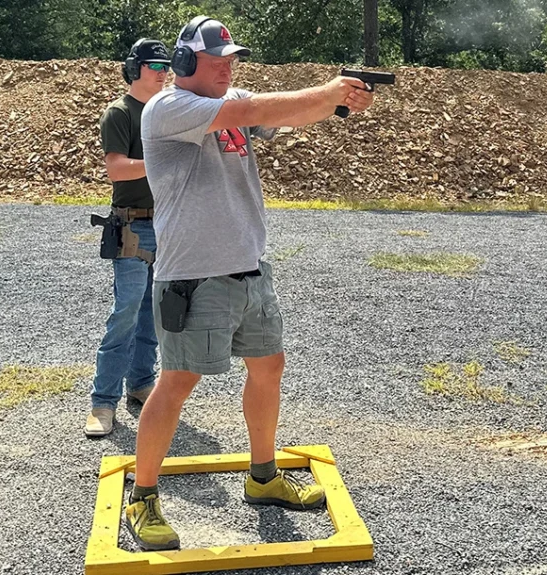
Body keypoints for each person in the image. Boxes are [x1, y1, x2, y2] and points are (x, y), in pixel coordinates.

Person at [123, 16, 375, 550]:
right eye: (216, 62)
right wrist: (329, 92)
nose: (226, 68)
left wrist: (339, 101)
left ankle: (263, 477)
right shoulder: (170, 108)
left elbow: (287, 113)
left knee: (269, 368)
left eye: (230, 60)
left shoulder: (226, 98)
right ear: (185, 64)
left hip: (249, 265)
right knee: (177, 382)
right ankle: (142, 497)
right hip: (194, 276)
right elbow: (254, 109)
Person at [84, 39, 172, 438]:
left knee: (153, 316)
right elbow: (118, 170)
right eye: (154, 65)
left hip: (167, 224)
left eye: (165, 65)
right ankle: (103, 401)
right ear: (135, 69)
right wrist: (164, 159)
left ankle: (140, 384)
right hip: (134, 227)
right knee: (125, 314)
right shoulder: (120, 113)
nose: (162, 71)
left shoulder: (165, 110)